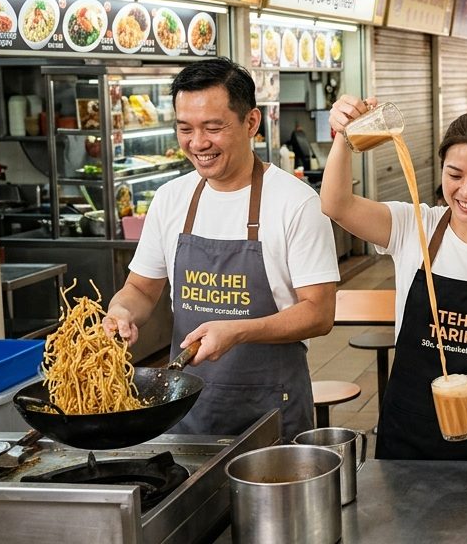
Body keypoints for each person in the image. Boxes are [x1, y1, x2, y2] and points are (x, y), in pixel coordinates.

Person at [104, 58, 338, 440]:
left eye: (213, 128)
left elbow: (319, 313)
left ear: (251, 123)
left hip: (271, 414)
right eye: (185, 129)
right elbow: (141, 289)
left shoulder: (295, 202)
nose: (198, 143)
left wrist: (238, 332)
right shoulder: (170, 199)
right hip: (188, 410)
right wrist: (121, 313)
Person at [322, 100, 467, 461]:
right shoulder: (412, 226)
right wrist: (342, 136)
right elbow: (336, 204)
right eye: (455, 175)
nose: (466, 191)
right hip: (408, 424)